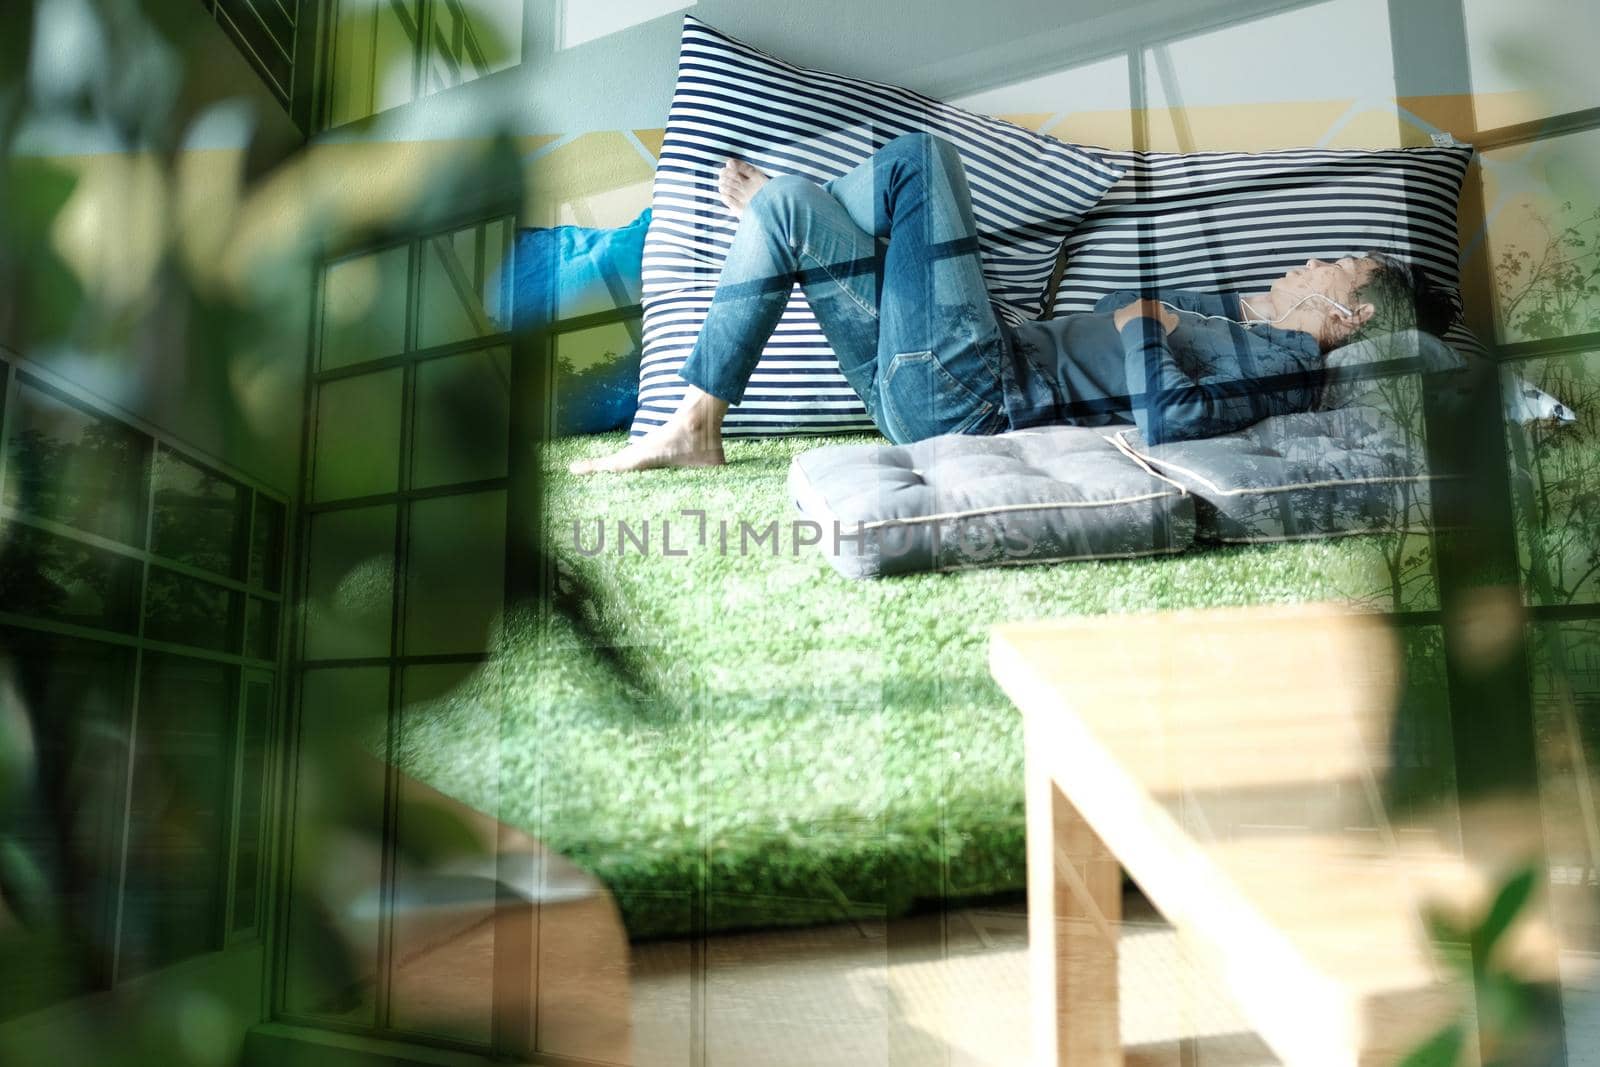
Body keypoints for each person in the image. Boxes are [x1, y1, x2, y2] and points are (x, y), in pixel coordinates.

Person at [571, 132, 1451, 475]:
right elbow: (1131, 312)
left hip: (981, 395)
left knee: (922, 160)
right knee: (790, 207)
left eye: (1337, 263)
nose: (1313, 257)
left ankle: (779, 224)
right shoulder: (1239, 316)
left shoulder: (1287, 365)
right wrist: (1223, 303)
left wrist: (1150, 324)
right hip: (932, 379)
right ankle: (697, 421)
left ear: (1354, 317)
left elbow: (1174, 419)